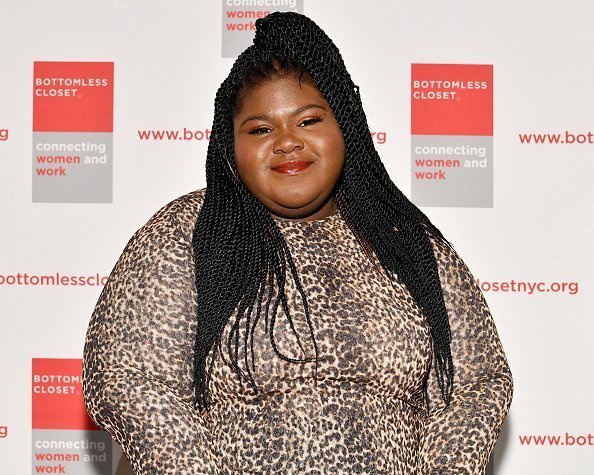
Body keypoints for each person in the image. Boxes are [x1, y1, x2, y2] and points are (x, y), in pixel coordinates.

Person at [82, 11, 513, 475]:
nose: (287, 142)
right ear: (231, 146)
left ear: (342, 126)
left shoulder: (406, 242)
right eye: (261, 129)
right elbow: (131, 380)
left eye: (308, 120)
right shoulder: (185, 233)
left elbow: (477, 382)